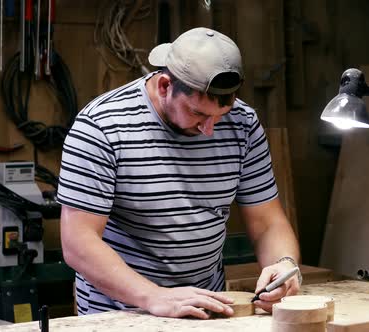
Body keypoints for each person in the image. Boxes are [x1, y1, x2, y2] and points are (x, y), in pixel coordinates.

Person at [57, 27, 301, 319]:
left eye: (219, 117)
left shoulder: (243, 124)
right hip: (120, 313)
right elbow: (78, 242)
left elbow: (267, 224)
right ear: (164, 86)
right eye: (198, 113)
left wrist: (284, 265)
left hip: (205, 310)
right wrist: (154, 297)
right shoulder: (101, 127)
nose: (209, 130)